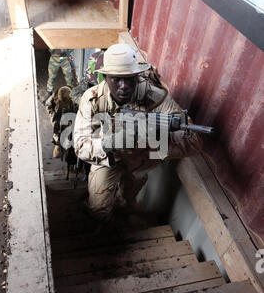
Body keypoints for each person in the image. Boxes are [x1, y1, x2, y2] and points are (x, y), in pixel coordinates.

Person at [73, 43, 202, 224]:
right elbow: (79, 145)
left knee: (128, 197)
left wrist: (155, 135)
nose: (124, 86)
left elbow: (193, 143)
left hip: (140, 160)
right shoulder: (93, 99)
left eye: (129, 78)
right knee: (98, 207)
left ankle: (124, 207)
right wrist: (108, 144)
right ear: (105, 77)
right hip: (108, 158)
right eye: (116, 79)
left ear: (137, 76)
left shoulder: (156, 97)